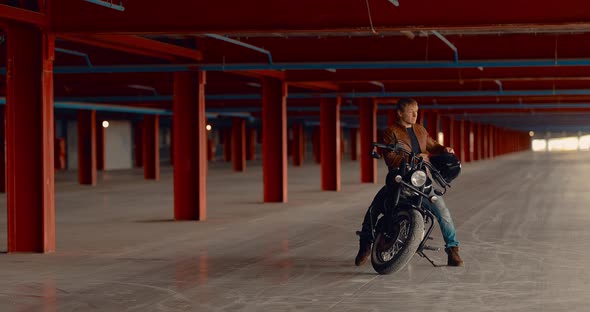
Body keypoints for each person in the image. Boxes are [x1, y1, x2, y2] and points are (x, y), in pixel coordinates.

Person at [354, 98, 464, 267]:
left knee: (443, 212)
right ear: (400, 113)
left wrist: (444, 149)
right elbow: (390, 157)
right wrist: (411, 159)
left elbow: (432, 145)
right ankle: (365, 245)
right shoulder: (391, 132)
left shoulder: (420, 130)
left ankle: (452, 250)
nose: (415, 114)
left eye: (417, 111)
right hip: (401, 179)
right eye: (411, 111)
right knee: (374, 209)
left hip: (421, 179)